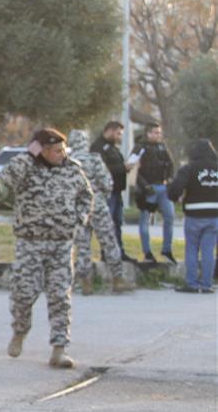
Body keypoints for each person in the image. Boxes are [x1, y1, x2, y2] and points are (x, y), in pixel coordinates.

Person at [0, 128, 93, 369]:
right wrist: (28, 155)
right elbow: (4, 182)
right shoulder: (26, 167)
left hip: (61, 244)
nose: (61, 154)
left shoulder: (72, 168)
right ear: (41, 150)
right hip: (30, 242)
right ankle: (19, 332)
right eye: (56, 150)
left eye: (63, 149)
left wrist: (78, 219)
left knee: (60, 296)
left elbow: (86, 196)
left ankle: (59, 349)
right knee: (22, 293)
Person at [67, 130, 132, 295]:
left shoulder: (67, 163)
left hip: (78, 208)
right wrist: (102, 195)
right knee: (109, 241)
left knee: (82, 245)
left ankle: (86, 282)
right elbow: (107, 182)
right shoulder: (94, 159)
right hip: (97, 204)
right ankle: (117, 279)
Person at [167, 139, 218, 293]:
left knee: (192, 249)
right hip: (214, 214)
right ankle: (207, 284)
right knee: (209, 250)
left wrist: (175, 198)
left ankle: (192, 284)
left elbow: (175, 189)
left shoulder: (189, 168)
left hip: (194, 214)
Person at [90, 121, 136, 261]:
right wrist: (123, 167)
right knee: (108, 224)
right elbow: (103, 169)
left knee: (117, 223)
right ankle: (107, 253)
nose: (119, 137)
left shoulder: (112, 148)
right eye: (118, 134)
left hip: (116, 191)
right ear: (109, 131)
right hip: (106, 193)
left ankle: (118, 252)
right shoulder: (98, 147)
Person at [132, 122, 176, 263]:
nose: (159, 135)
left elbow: (171, 165)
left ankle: (167, 250)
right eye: (156, 133)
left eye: (159, 132)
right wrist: (144, 186)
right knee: (145, 220)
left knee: (170, 216)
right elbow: (132, 169)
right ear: (148, 133)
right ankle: (147, 252)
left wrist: (169, 180)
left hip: (163, 188)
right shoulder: (140, 147)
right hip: (148, 189)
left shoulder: (162, 147)